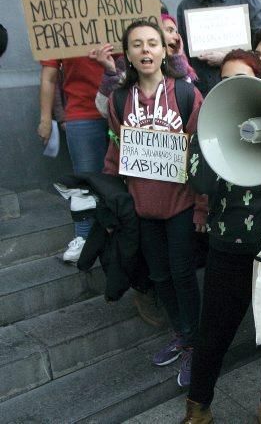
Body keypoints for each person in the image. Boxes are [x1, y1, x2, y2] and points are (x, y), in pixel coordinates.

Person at [103, 20, 205, 387]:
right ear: (127, 53)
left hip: (180, 204)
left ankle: (195, 343)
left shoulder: (187, 95)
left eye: (152, 43)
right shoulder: (119, 99)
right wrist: (114, 202)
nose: (145, 51)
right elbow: (114, 152)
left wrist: (202, 207)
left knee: (182, 274)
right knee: (159, 275)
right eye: (137, 45)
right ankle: (181, 334)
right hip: (141, 208)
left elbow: (204, 154)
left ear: (164, 50)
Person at [182, 50, 261, 424]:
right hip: (227, 247)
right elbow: (201, 182)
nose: (231, 86)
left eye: (242, 79)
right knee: (213, 334)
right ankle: (198, 407)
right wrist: (213, 134)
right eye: (225, 80)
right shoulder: (209, 128)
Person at [37, 55, 108, 263]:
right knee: (84, 181)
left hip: (126, 106)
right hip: (82, 112)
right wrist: (45, 119)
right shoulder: (59, 24)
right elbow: (49, 76)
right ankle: (83, 237)